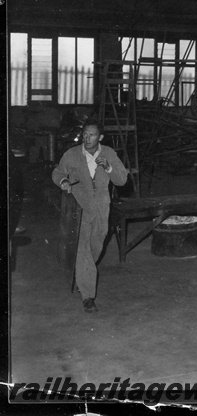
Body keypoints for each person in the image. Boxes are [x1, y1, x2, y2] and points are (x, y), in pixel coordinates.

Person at [52, 119, 128, 313]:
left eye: (92, 135)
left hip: (102, 208)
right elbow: (58, 171)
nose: (87, 138)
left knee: (96, 245)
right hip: (80, 208)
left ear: (100, 137)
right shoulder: (71, 154)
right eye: (85, 134)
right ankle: (88, 296)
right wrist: (63, 182)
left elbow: (122, 180)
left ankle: (82, 274)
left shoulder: (109, 153)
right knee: (82, 248)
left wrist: (109, 168)